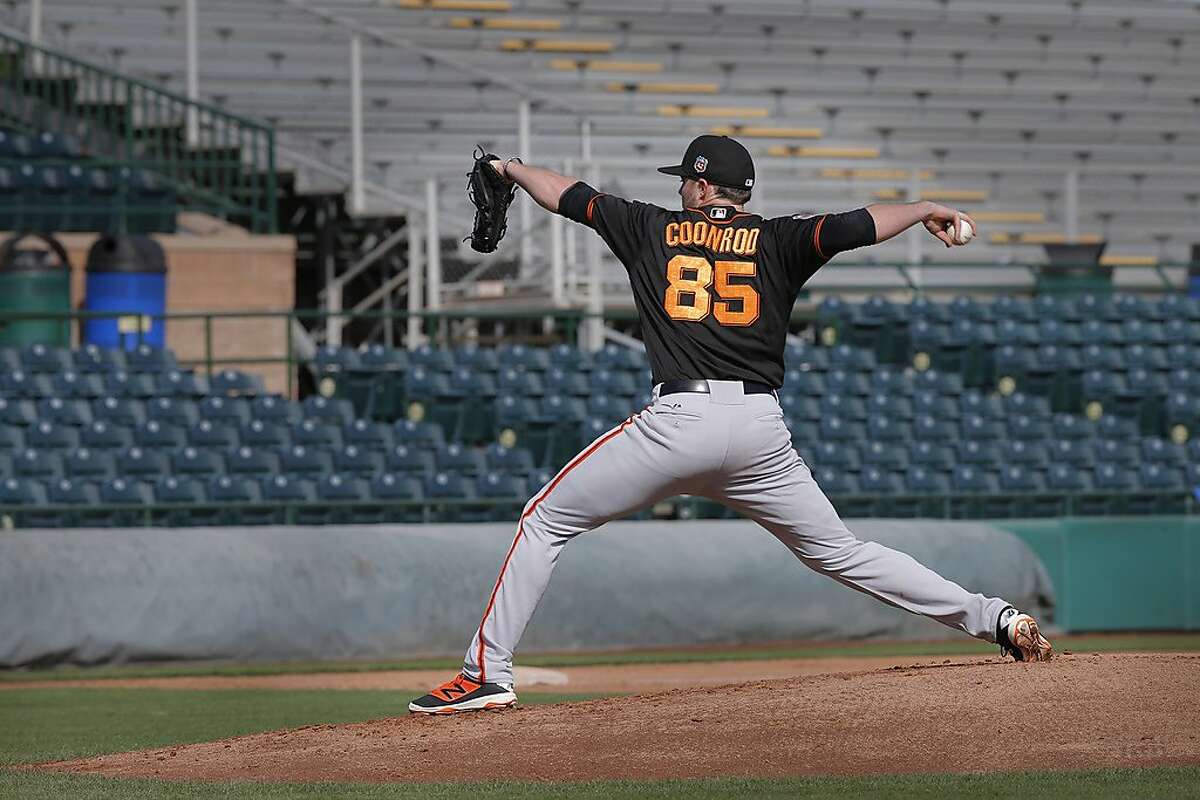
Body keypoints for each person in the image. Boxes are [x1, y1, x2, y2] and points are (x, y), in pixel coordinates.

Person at [409, 135, 1052, 714]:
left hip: (678, 424)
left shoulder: (649, 227)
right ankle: (993, 618)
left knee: (545, 520)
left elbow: (570, 195)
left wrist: (509, 166)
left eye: (683, 179)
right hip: (759, 433)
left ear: (700, 185)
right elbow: (860, 224)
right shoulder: (780, 238)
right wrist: (922, 209)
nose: (679, 189)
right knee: (841, 552)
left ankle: (488, 672)